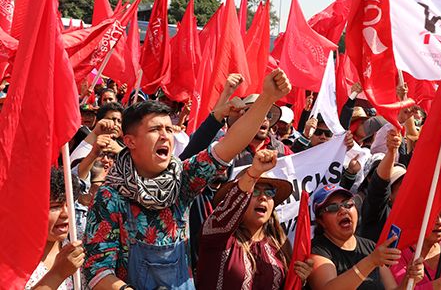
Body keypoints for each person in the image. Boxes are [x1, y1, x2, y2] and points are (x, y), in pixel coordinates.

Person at [83, 69, 291, 289]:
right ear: (130, 141)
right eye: (155, 129)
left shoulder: (182, 179)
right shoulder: (110, 196)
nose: (165, 136)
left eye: (169, 129)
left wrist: (267, 98)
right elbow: (97, 269)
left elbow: (230, 145)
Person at [196, 149, 313, 288]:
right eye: (255, 190)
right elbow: (231, 206)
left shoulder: (280, 246)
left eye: (269, 192)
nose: (263, 197)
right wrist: (253, 174)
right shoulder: (218, 235)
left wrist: (300, 279)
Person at [308, 184, 403, 289]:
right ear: (321, 221)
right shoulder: (317, 250)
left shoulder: (370, 246)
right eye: (332, 208)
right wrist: (370, 261)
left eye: (348, 204)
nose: (343, 210)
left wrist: (409, 278)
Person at [26, 167, 84, 289]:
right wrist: (58, 274)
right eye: (55, 206)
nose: (65, 213)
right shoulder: (12, 261)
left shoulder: (80, 247)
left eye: (69, 205)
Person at [359, 129, 406, 242]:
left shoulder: (410, 214)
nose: (408, 190)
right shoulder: (376, 212)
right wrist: (391, 151)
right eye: (402, 186)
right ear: (389, 193)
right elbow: (380, 185)